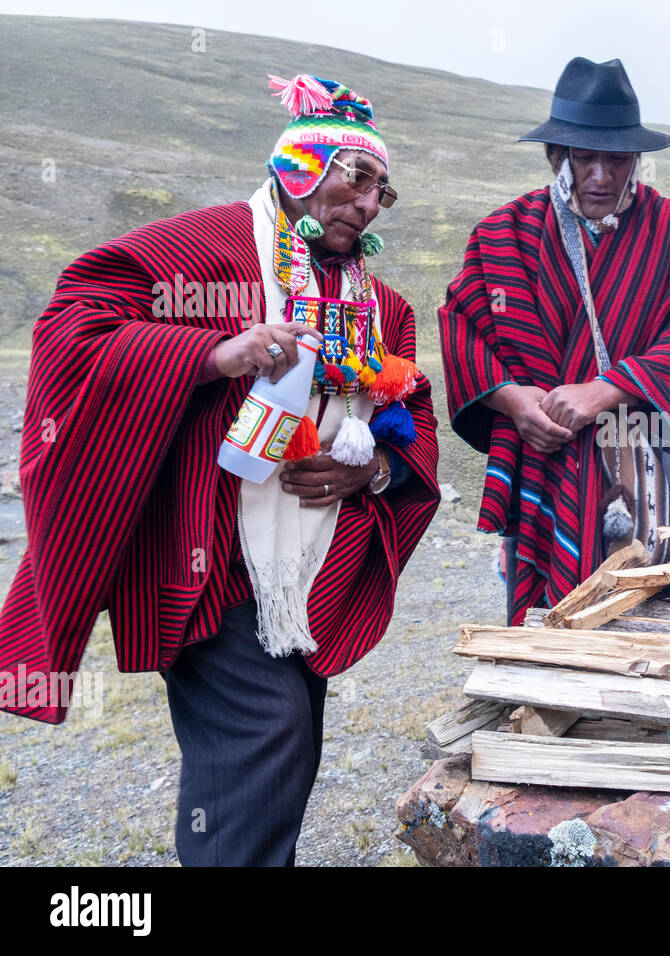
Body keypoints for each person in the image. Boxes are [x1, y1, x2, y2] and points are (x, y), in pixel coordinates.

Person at [0, 73, 440, 865]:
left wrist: (371, 471)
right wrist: (208, 353)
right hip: (209, 553)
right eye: (358, 178)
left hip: (309, 569)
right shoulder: (207, 250)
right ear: (303, 167)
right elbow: (74, 325)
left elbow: (416, 416)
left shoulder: (382, 305)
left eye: (384, 191)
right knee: (266, 734)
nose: (370, 204)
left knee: (290, 743)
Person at [439, 57, 670, 624]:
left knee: (661, 617)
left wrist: (609, 388)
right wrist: (512, 399)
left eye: (617, 159)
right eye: (584, 158)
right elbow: (464, 322)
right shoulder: (505, 233)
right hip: (549, 462)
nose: (600, 175)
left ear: (637, 161)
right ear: (558, 156)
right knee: (552, 628)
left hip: (654, 469)